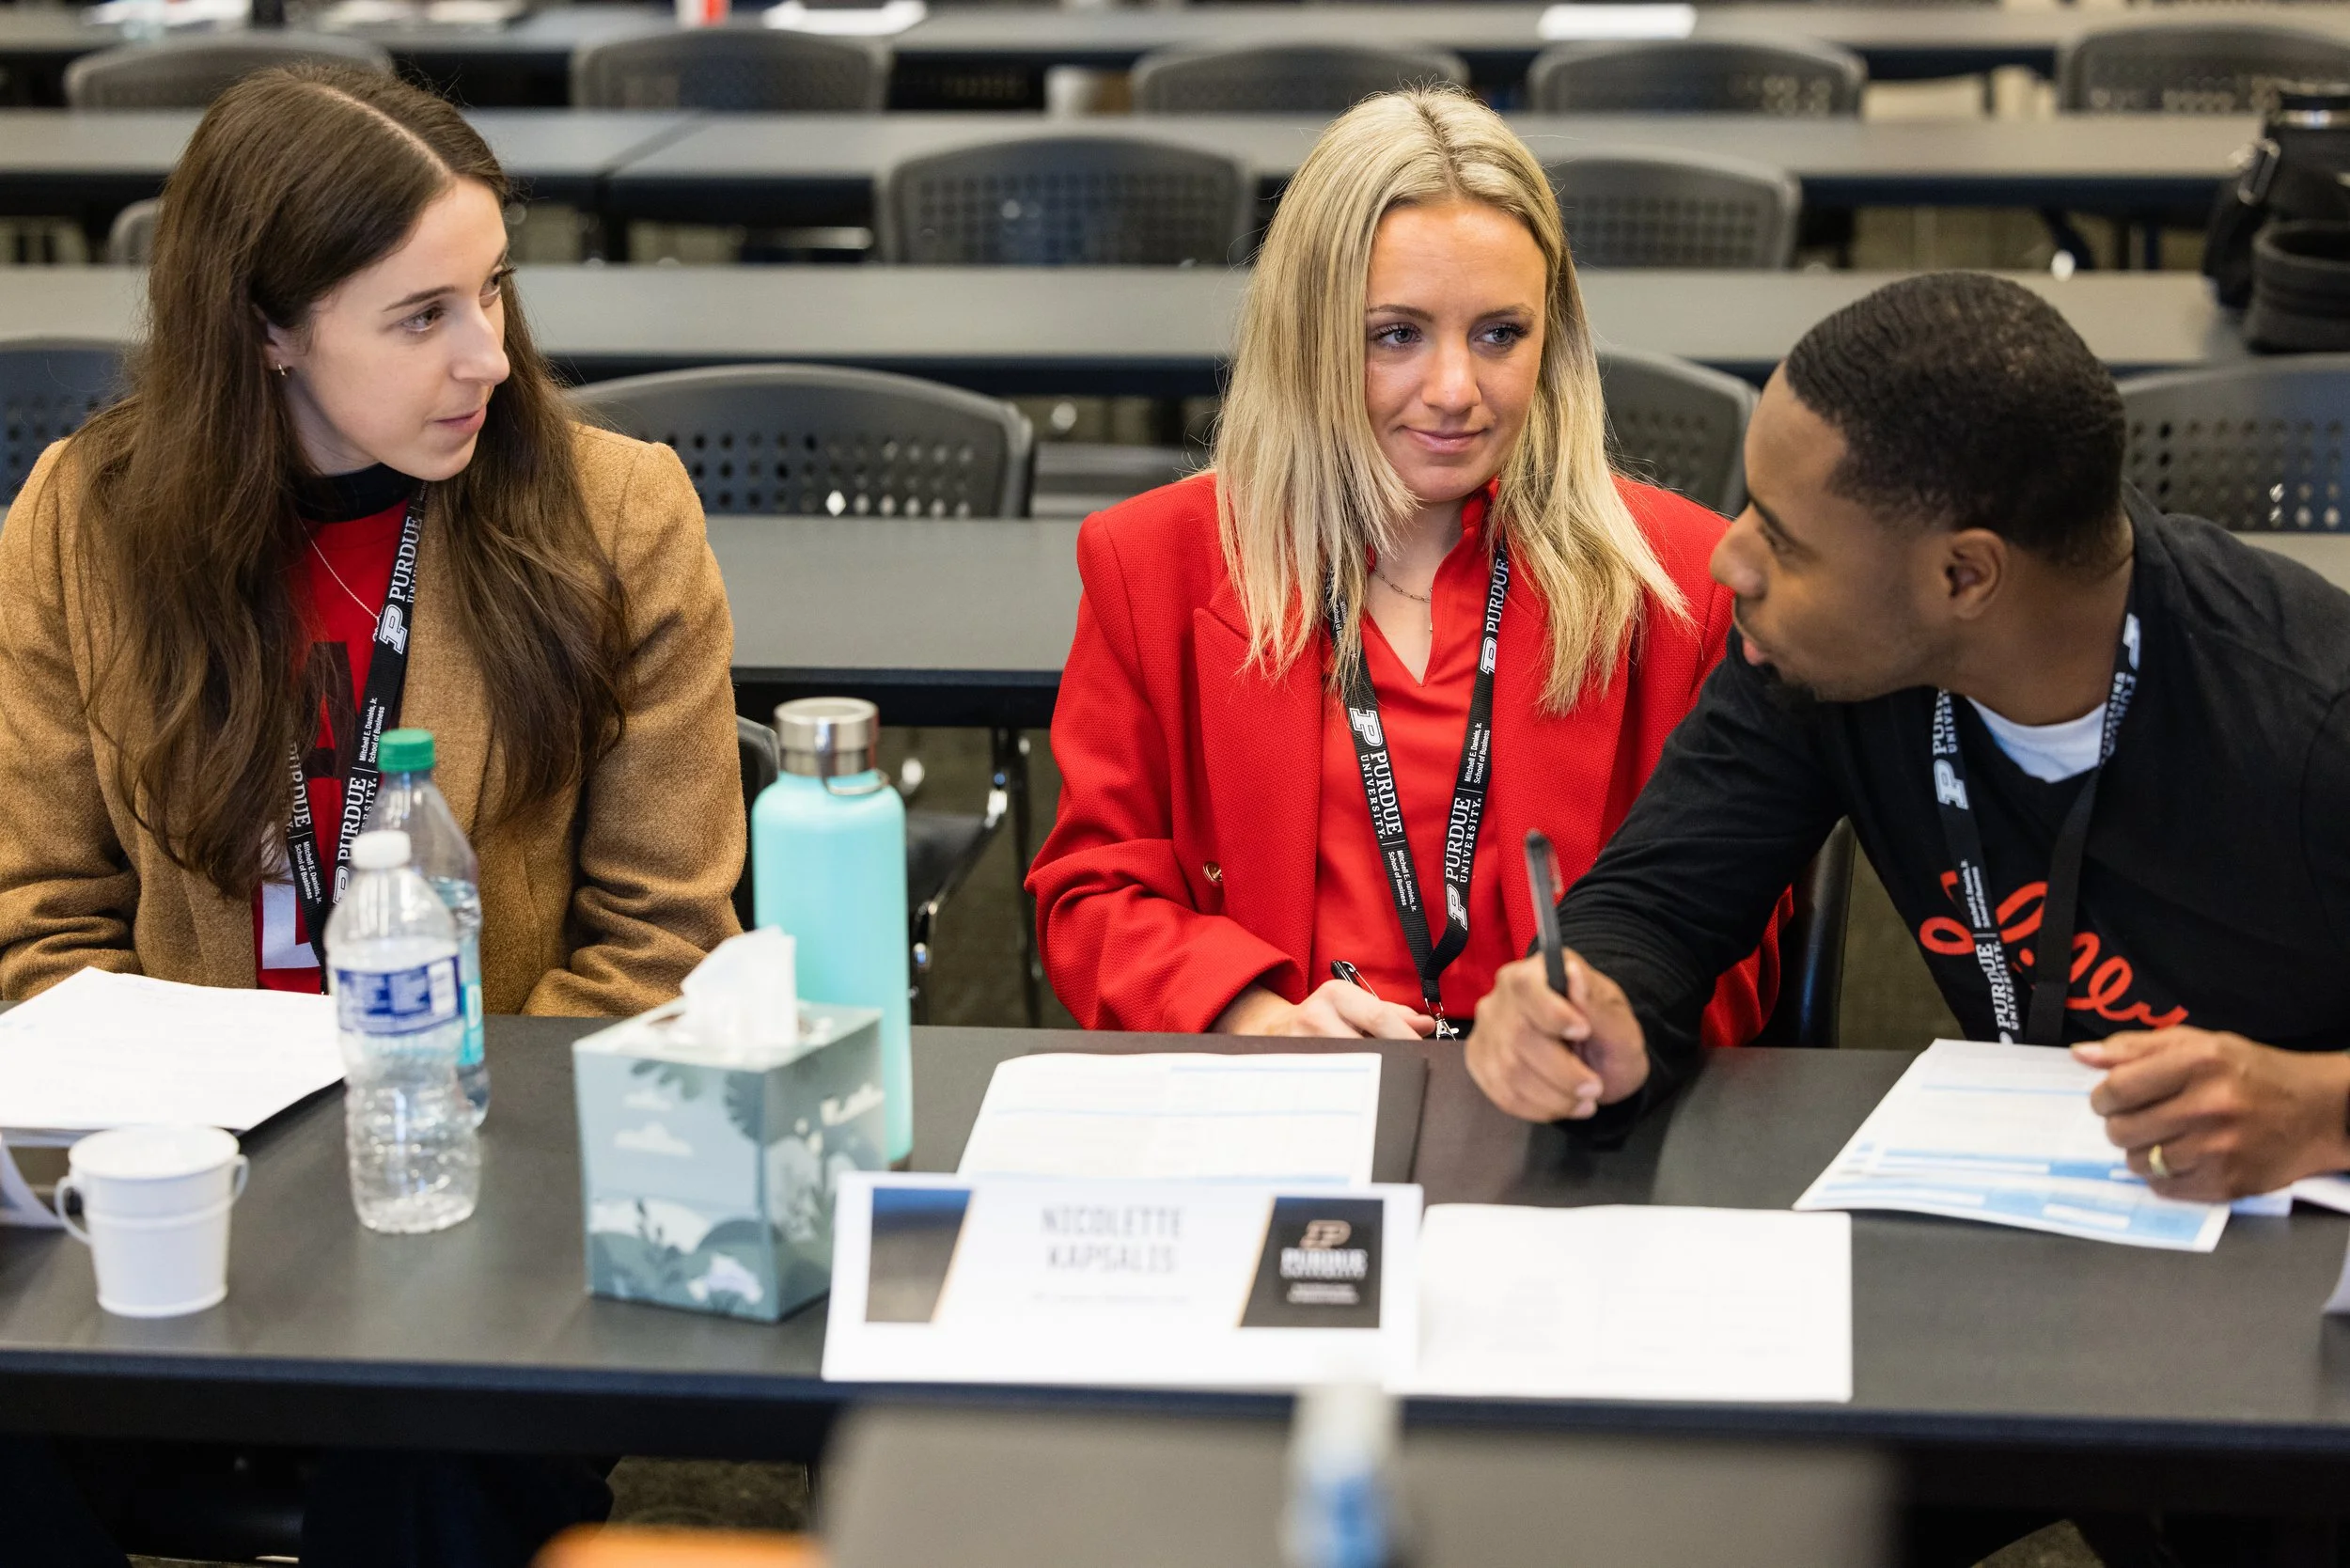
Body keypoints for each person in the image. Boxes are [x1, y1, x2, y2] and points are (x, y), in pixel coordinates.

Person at [0, 65, 741, 1566]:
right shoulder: (83, 521)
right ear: (267, 331)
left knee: (424, 1480)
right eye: (421, 318)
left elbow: (660, 941)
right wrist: (203, 1173)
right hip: (171, 1186)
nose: (488, 359)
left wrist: (445, 1150)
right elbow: (39, 924)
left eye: (494, 293)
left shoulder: (615, 515)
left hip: (495, 1197)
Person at [1467, 270, 2350, 1203]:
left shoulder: (2307, 718)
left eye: (1784, 538)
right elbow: (1658, 907)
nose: (1728, 559)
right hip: (2049, 1227)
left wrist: (2321, 1107)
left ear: (1963, 577)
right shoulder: (1817, 665)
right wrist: (1594, 1000)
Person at [1027, 87, 1779, 1049]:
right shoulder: (1152, 564)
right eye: (1397, 335)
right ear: (1308, 336)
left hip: (1567, 1120)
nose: (1456, 390)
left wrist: (1605, 1025)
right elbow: (1092, 896)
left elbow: (1735, 930)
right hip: (1285, 1107)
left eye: (1500, 335)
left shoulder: (1679, 585)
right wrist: (1253, 1016)